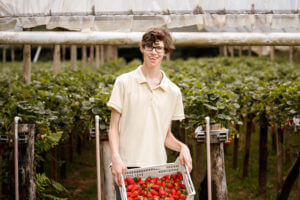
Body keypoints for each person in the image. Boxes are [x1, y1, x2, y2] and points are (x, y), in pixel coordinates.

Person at [107, 27, 192, 199]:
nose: (153, 52)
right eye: (149, 47)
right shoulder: (123, 82)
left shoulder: (173, 92)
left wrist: (183, 147)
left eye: (159, 48)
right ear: (142, 48)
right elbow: (113, 127)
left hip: (158, 169)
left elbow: (166, 136)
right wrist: (115, 157)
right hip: (126, 167)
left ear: (165, 51)